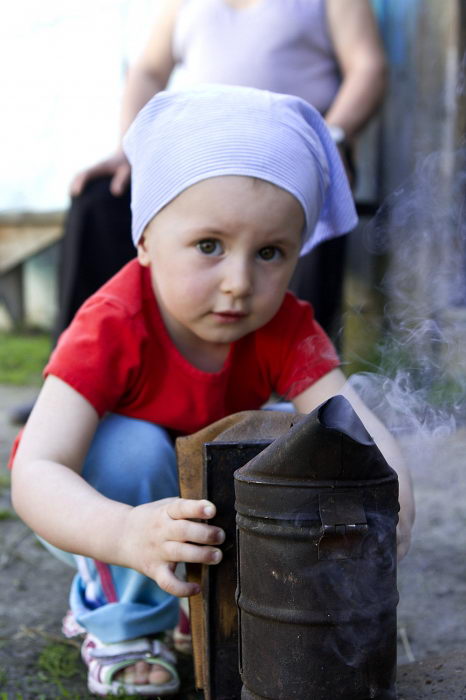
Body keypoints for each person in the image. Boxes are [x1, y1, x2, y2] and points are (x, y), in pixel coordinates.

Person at [10, 85, 412, 697]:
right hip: (108, 503)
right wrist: (122, 533)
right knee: (135, 448)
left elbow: (351, 422)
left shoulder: (282, 324)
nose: (238, 283)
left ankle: (202, 602)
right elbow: (36, 470)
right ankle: (122, 619)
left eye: (271, 253)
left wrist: (393, 503)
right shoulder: (113, 323)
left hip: (202, 507)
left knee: (296, 432)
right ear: (145, 238)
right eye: (208, 246)